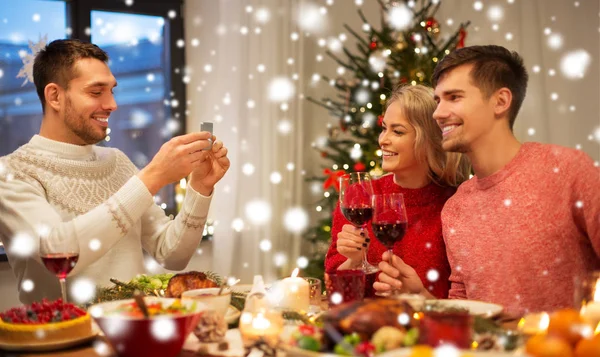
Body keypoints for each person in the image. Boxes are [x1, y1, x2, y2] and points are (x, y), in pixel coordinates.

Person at [0, 39, 230, 304]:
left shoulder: (117, 161)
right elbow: (58, 251)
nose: (112, 104)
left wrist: (199, 188)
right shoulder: (12, 173)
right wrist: (153, 176)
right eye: (96, 92)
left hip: (134, 330)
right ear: (55, 96)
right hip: (62, 340)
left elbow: (172, 255)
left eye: (112, 91)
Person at [374, 45, 600, 315]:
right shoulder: (457, 208)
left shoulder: (568, 170)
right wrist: (421, 298)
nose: (438, 113)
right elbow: (466, 311)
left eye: (454, 97)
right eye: (438, 101)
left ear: (501, 101)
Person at [325, 84, 470, 298]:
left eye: (397, 131)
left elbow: (462, 305)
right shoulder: (358, 197)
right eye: (384, 128)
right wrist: (353, 261)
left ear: (429, 140)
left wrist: (418, 295)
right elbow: (336, 296)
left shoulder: (456, 205)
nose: (383, 140)